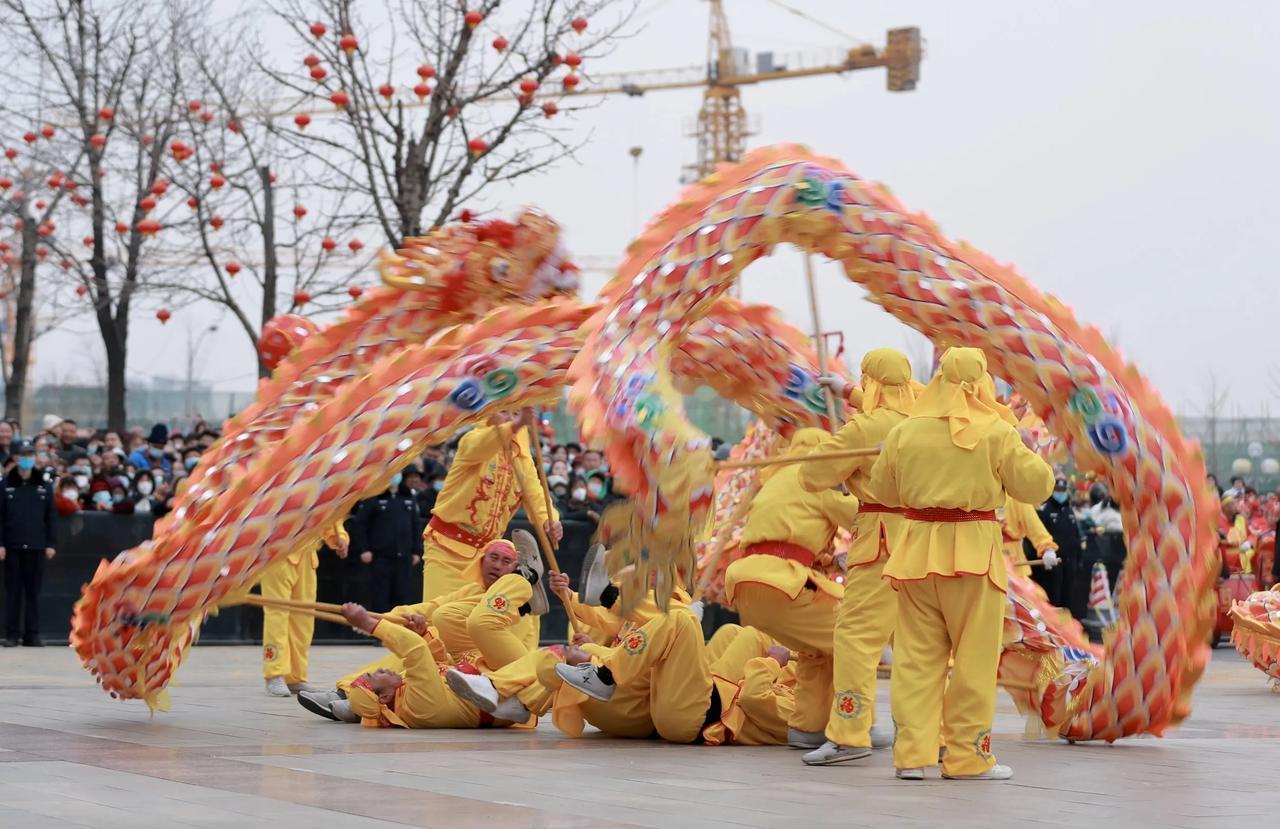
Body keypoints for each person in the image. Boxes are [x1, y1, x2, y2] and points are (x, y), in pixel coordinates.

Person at [865, 347, 1054, 781]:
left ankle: (911, 756)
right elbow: (1037, 486)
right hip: (974, 554)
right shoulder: (996, 431)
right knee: (973, 659)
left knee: (915, 659)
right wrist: (1022, 444)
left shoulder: (905, 431)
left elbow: (883, 491)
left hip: (914, 553)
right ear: (980, 381)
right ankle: (968, 757)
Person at [795, 347, 917, 766]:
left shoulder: (865, 428)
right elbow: (899, 401)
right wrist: (846, 391)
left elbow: (812, 477)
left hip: (882, 542)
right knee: (918, 642)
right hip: (926, 541)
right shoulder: (924, 418)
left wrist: (839, 450)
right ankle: (924, 735)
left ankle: (850, 733)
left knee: (856, 637)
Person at [723, 427, 859, 749]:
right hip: (780, 581)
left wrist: (827, 558)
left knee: (815, 649)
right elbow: (865, 518)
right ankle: (855, 723)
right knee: (853, 639)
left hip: (749, 581)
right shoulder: (815, 477)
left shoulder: (777, 480)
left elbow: (791, 537)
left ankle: (807, 727)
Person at [302, 602, 530, 729]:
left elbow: (435, 662)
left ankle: (352, 701)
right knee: (479, 621)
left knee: (444, 615)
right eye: (374, 676)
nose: (380, 671)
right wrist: (369, 624)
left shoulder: (402, 699)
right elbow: (416, 652)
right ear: (383, 698)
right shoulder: (417, 703)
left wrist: (422, 634)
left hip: (479, 669)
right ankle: (524, 583)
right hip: (505, 681)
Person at [421, 408, 561, 600]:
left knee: (473, 624)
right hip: (446, 549)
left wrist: (550, 521)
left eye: (515, 413)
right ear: (488, 412)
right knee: (436, 620)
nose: (511, 418)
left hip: (486, 559)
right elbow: (481, 445)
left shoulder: (523, 462)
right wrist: (516, 424)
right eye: (504, 411)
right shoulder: (472, 441)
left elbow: (537, 498)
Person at [259, 521, 350, 697]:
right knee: (277, 616)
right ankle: (274, 673)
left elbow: (330, 513)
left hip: (307, 557)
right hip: (278, 555)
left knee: (303, 619)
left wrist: (339, 537)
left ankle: (295, 676)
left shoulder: (319, 492)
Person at [0, 440, 57, 647]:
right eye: (23, 454)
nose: (27, 458)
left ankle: (32, 634)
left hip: (36, 546)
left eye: (30, 454)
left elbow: (50, 517)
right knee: (13, 591)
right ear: (15, 458)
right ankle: (12, 634)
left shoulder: (43, 485)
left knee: (33, 591)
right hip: (13, 546)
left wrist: (51, 543)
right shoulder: (5, 484)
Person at [348, 474, 426, 612]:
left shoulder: (408, 496)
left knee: (402, 596)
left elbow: (416, 525)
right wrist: (364, 549)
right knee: (380, 596)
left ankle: (398, 629)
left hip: (404, 556)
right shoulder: (373, 497)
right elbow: (360, 524)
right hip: (380, 556)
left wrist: (417, 551)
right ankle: (379, 630)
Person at [1037, 477, 1087, 617]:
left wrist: (1079, 558)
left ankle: (1067, 626)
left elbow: (1075, 535)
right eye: (1058, 490)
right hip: (1053, 562)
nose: (1061, 493)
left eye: (1063, 490)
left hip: (1070, 561)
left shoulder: (1069, 510)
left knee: (1069, 595)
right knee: (1054, 596)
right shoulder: (1045, 510)